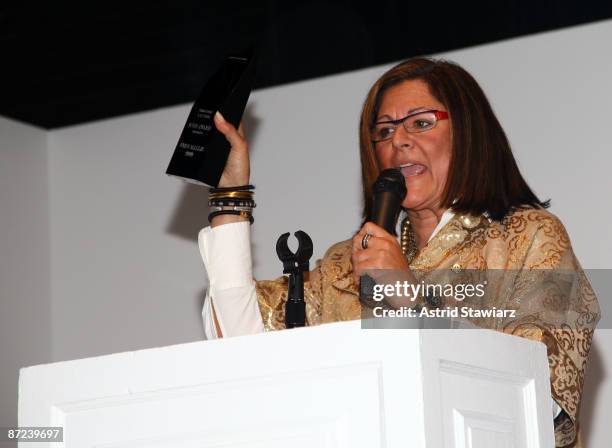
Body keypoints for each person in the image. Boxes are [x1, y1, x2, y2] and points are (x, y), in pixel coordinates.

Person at [197, 57, 600, 447]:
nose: (399, 141)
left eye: (421, 123)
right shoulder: (344, 264)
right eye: (385, 131)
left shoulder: (527, 239)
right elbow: (243, 344)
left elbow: (543, 400)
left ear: (470, 134)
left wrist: (410, 302)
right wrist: (230, 197)